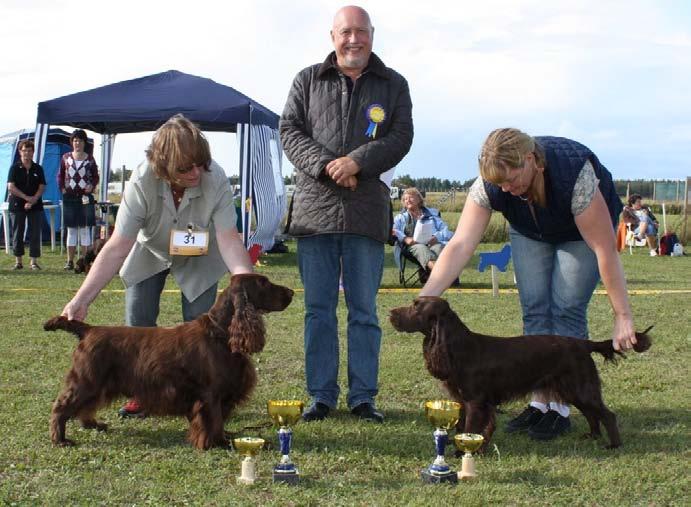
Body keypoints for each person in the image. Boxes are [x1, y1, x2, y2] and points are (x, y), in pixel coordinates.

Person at [419, 128, 637, 441]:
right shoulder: (490, 186)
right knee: (534, 306)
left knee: (567, 307)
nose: (506, 189)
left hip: (580, 231)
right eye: (499, 184)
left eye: (511, 180)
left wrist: (623, 315)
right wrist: (425, 300)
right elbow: (460, 244)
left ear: (531, 161)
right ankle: (539, 402)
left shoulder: (576, 176)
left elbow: (605, 250)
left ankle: (560, 409)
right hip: (530, 229)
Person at [61, 114, 254, 418]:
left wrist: (246, 283)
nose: (195, 173)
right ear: (163, 166)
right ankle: (141, 393)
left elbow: (229, 239)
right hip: (149, 250)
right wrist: (81, 300)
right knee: (138, 321)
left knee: (204, 329)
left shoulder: (215, 178)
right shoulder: (141, 180)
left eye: (200, 164)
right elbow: (117, 246)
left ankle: (203, 396)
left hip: (200, 256)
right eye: (184, 167)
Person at [280, 5, 413, 423]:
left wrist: (357, 162)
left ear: (372, 34)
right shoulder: (306, 80)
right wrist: (327, 165)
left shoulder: (394, 84)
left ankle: (362, 397)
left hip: (366, 215)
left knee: (364, 312)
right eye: (345, 32)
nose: (353, 39)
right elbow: (289, 131)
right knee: (318, 311)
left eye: (361, 32)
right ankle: (321, 395)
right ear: (332, 36)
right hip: (315, 216)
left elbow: (401, 136)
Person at [58, 129, 99, 270]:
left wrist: (92, 186)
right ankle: (69, 261)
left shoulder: (90, 159)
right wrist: (62, 189)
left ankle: (84, 260)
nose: (77, 143)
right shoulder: (65, 157)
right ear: (72, 142)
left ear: (84, 143)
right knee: (71, 230)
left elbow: (95, 176)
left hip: (85, 197)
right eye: (75, 140)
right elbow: (60, 176)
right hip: (70, 197)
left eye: (80, 140)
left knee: (85, 230)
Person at [392, 187, 452, 277]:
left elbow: (445, 230)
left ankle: (431, 274)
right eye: (405, 199)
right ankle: (442, 276)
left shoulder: (432, 214)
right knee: (421, 249)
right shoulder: (400, 217)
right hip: (413, 246)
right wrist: (405, 238)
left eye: (410, 197)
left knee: (439, 248)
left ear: (419, 199)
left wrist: (436, 237)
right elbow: (394, 230)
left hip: (432, 242)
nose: (407, 200)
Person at [7, 139, 46, 270]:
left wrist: (33, 200)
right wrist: (26, 198)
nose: (27, 153)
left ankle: (33, 262)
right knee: (18, 232)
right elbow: (10, 187)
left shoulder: (38, 168)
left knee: (35, 233)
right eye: (24, 150)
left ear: (33, 152)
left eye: (29, 151)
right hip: (17, 204)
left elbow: (42, 186)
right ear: (20, 152)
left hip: (35, 205)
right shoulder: (14, 168)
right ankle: (18, 262)